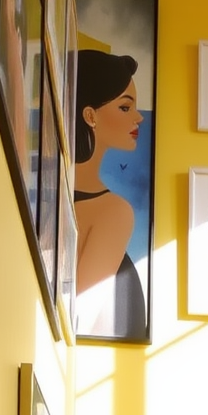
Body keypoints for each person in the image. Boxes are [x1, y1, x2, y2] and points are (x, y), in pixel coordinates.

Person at [74, 50, 146, 341]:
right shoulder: (114, 212)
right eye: (125, 108)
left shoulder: (55, 205)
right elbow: (79, 320)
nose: (139, 117)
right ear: (90, 115)